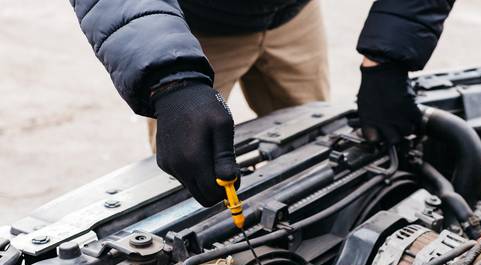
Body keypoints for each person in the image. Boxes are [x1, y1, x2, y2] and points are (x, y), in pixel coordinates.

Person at [70, 0, 454, 206]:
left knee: (318, 138)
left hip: (293, 16)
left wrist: (389, 60)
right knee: (195, 169)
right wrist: (172, 81)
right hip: (192, 28)